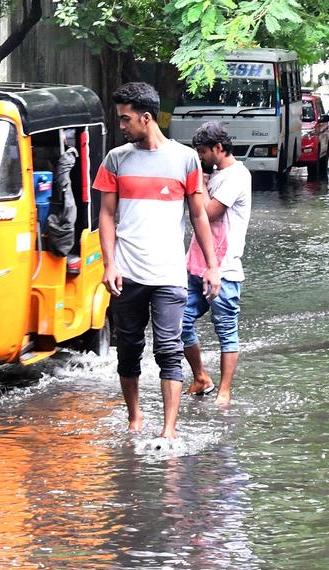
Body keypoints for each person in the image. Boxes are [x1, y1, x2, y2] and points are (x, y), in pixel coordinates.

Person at [93, 82, 222, 440]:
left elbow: (199, 216)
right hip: (127, 273)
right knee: (129, 349)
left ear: (146, 118)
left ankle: (168, 431)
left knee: (169, 348)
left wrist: (211, 265)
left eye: (125, 119)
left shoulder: (184, 159)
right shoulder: (116, 159)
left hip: (168, 274)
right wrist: (109, 263)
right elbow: (106, 215)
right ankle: (135, 420)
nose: (122, 125)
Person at [182, 121, 251, 406]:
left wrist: (199, 181)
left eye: (202, 151)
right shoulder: (217, 175)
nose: (200, 157)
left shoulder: (236, 176)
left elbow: (208, 213)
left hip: (224, 271)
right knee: (180, 323)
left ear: (218, 148)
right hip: (195, 266)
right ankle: (200, 377)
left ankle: (224, 391)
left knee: (226, 331)